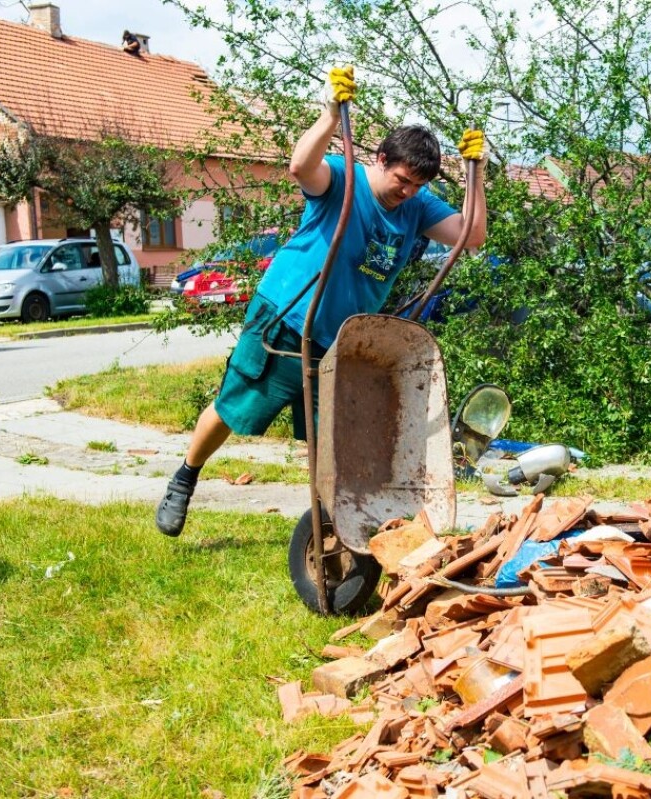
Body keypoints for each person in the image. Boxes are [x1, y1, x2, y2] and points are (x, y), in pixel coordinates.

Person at [155, 65, 487, 537]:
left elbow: (470, 236)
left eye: (418, 185)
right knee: (234, 407)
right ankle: (184, 477)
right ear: (379, 158)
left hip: (341, 341)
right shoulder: (341, 176)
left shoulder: (417, 205)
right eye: (402, 180)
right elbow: (300, 167)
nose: (407, 192)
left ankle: (332, 527)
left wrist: (477, 173)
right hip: (287, 317)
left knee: (334, 442)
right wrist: (331, 112)